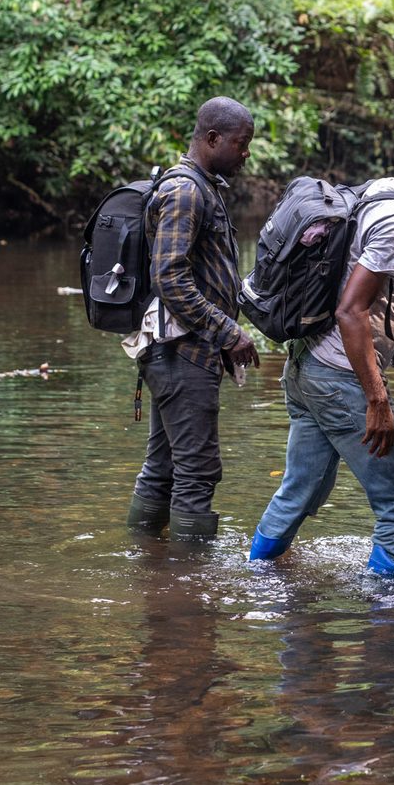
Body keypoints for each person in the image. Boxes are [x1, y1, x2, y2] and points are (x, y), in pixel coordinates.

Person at [248, 134, 394, 577]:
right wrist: (376, 400)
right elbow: (350, 310)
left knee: (300, 490)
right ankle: (393, 620)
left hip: (305, 368)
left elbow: (347, 286)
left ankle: (254, 574)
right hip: (340, 377)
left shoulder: (377, 190)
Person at [125, 97, 260, 541]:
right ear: (213, 138)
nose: (245, 154)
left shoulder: (204, 187)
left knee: (163, 467)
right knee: (198, 474)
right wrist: (229, 333)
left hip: (177, 352)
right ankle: (188, 594)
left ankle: (149, 568)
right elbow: (169, 277)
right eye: (241, 144)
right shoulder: (185, 191)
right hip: (183, 355)